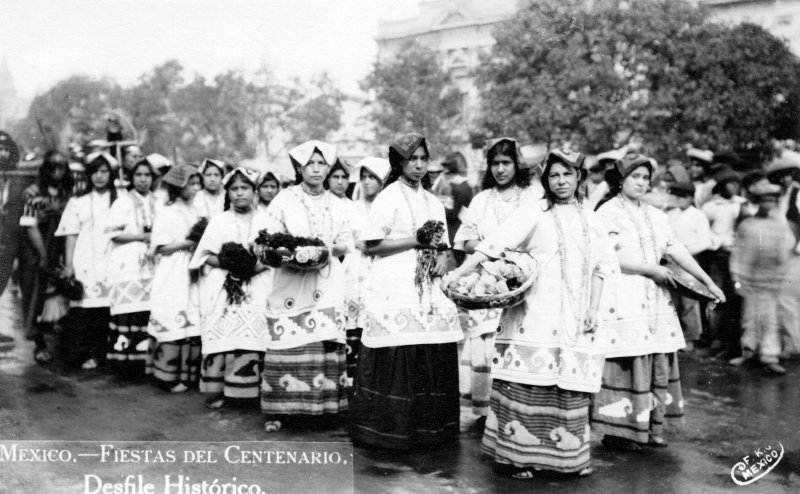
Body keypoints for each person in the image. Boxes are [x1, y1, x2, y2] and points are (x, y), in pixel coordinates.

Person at [447, 149, 617, 478]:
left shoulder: (592, 220)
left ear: (579, 177)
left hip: (575, 315)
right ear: (545, 180)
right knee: (530, 381)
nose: (561, 181)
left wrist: (594, 308)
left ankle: (566, 460)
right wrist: (459, 273)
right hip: (535, 312)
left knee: (567, 382)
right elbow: (492, 244)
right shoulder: (534, 213)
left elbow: (602, 267)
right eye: (554, 175)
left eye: (568, 174)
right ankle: (518, 457)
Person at [592, 153, 724, 451]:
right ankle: (619, 431)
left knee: (658, 358)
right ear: (621, 180)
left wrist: (707, 280)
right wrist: (651, 269)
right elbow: (608, 255)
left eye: (645, 177)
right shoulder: (607, 213)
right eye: (634, 177)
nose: (641, 182)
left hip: (655, 297)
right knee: (627, 359)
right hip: (623, 293)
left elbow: (675, 249)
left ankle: (652, 426)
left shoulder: (656, 215)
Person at [350, 133, 463, 451]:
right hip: (394, 282)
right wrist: (416, 240)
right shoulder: (388, 197)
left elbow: (443, 245)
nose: (417, 164)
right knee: (399, 350)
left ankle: (430, 430)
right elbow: (372, 245)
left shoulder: (433, 201)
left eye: (423, 159)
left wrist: (441, 257)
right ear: (398, 162)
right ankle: (391, 431)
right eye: (411, 159)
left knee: (429, 348)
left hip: (427, 287)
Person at [259, 140, 352, 432]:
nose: (315, 168)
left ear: (328, 168)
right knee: (287, 338)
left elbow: (346, 242)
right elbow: (266, 240)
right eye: (309, 163)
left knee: (324, 335)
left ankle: (323, 409)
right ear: (299, 167)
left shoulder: (338, 204)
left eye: (321, 163)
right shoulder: (284, 200)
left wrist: (324, 252)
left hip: (327, 279)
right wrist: (289, 254)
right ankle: (280, 411)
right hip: (290, 281)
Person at [452, 137, 535, 427]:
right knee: (486, 340)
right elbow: (463, 240)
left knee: (517, 337)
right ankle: (485, 409)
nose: (500, 169)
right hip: (486, 276)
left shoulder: (530, 196)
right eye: (495, 164)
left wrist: (513, 256)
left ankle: (512, 409)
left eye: (506, 163)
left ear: (517, 165)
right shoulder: (481, 199)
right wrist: (492, 248)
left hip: (521, 276)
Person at [189, 167, 271, 409]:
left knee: (256, 336)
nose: (239, 194)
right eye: (234, 189)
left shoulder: (267, 220)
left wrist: (254, 268)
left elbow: (274, 256)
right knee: (226, 335)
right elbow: (204, 255)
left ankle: (254, 392)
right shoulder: (219, 221)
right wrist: (229, 264)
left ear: (254, 191)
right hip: (225, 286)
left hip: (259, 283)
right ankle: (224, 392)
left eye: (244, 188)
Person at [55, 152, 118, 369]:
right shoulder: (78, 201)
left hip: (112, 259)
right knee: (83, 310)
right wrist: (69, 265)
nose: (100, 177)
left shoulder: (119, 199)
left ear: (111, 174)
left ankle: (101, 355)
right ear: (89, 175)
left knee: (106, 311)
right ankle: (80, 353)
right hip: (85, 259)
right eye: (95, 172)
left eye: (104, 172)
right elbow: (70, 234)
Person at [147, 163, 204, 392]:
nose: (195, 188)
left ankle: (188, 375)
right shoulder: (168, 212)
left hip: (194, 268)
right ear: (178, 186)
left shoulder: (196, 211)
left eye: (196, 183)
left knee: (193, 316)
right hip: (174, 270)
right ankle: (167, 376)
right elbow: (160, 247)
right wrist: (191, 242)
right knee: (173, 313)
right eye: (191, 183)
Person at [729, 181, 794, 375]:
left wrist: (782, 273)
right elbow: (737, 253)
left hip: (772, 279)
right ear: (757, 202)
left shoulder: (779, 226)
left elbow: (785, 250)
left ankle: (769, 355)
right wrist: (737, 278)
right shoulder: (747, 225)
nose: (769, 205)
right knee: (749, 317)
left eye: (773, 201)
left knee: (770, 318)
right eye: (765, 200)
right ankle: (748, 351)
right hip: (749, 279)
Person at [19, 150, 73, 363]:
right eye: (52, 166)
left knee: (62, 294)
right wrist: (43, 256)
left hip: (60, 248)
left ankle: (61, 343)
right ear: (45, 169)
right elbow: (29, 226)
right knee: (36, 297)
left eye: (61, 166)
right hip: (37, 250)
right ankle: (39, 345)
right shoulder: (32, 192)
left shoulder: (67, 192)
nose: (57, 171)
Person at [105, 159, 158, 377]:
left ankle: (145, 364)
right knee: (129, 312)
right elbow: (113, 234)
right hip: (127, 263)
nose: (143, 179)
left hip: (152, 265)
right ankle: (124, 365)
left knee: (147, 312)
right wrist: (141, 236)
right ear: (131, 178)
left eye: (147, 175)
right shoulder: (122, 202)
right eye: (139, 175)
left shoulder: (159, 202)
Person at [343, 157, 391, 386]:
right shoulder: (352, 208)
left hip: (380, 265)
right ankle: (352, 381)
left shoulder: (388, 206)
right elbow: (346, 236)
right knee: (354, 317)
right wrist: (357, 242)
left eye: (372, 177)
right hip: (356, 267)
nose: (367, 182)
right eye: (363, 177)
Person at [702, 169, 746, 358]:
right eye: (729, 183)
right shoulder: (711, 206)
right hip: (718, 255)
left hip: (738, 254)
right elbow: (705, 230)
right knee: (718, 296)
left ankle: (733, 342)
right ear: (721, 186)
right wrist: (717, 242)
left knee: (736, 298)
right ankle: (716, 339)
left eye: (736, 183)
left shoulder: (741, 205)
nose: (734, 187)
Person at [666, 181, 713, 351]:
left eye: (684, 196)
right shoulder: (670, 214)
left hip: (690, 260)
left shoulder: (698, 215)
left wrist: (684, 252)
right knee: (672, 299)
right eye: (677, 195)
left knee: (689, 300)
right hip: (670, 260)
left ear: (691, 198)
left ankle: (691, 338)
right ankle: (673, 336)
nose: (680, 199)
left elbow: (705, 241)